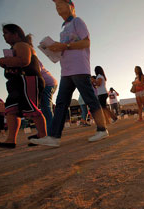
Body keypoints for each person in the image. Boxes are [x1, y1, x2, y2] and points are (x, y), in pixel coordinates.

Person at [31, 0, 108, 147]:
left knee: (90, 98)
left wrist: (65, 45)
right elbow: (66, 47)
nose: (57, 7)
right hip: (66, 70)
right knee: (61, 103)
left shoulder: (77, 21)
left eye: (60, 3)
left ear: (71, 6)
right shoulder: (64, 28)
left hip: (79, 68)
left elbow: (86, 43)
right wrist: (55, 49)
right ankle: (54, 137)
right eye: (55, 5)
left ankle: (102, 129)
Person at [0, 24, 47, 149]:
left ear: (15, 34)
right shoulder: (17, 46)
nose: (4, 37)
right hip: (18, 82)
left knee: (32, 108)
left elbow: (24, 61)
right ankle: (10, 140)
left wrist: (3, 61)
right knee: (11, 110)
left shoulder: (21, 45)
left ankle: (43, 136)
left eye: (6, 33)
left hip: (27, 79)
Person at [26, 35, 58, 135]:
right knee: (45, 109)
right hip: (49, 82)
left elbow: (37, 72)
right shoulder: (30, 55)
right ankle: (48, 132)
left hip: (47, 83)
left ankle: (51, 133)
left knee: (46, 109)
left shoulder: (30, 56)